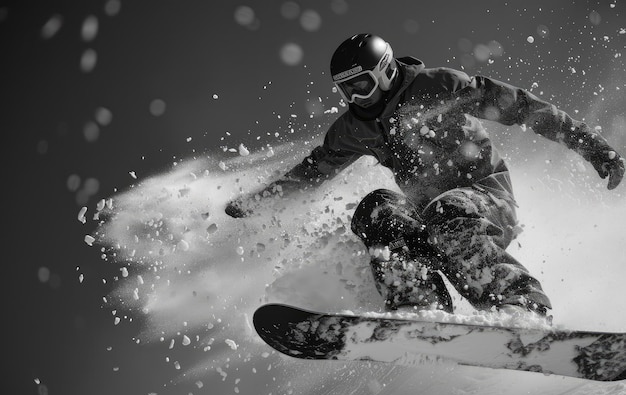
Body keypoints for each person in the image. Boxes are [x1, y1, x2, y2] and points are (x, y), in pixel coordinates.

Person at [225, 33, 624, 317]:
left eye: (362, 85)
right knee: (376, 210)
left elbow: (522, 107)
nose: (356, 99)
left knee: (446, 208)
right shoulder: (353, 129)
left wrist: (592, 147)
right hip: (431, 220)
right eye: (346, 92)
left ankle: (522, 304)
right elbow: (314, 170)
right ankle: (419, 303)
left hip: (485, 202)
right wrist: (261, 200)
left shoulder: (439, 86)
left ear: (384, 71)